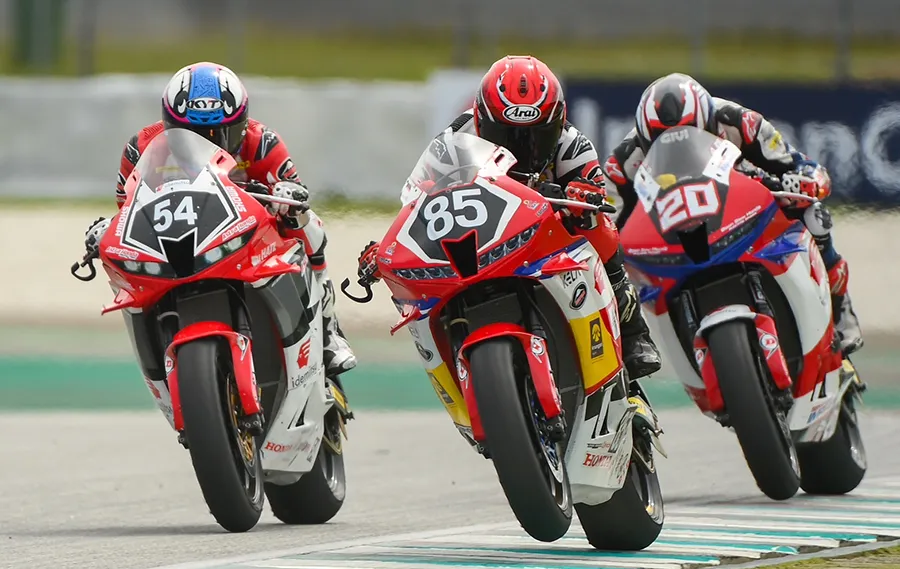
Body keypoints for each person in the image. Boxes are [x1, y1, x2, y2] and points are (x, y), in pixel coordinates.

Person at [357, 55, 662, 381]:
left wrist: (583, 198)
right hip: (484, 234)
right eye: (503, 135)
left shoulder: (573, 146)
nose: (519, 149)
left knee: (599, 228)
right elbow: (419, 200)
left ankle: (634, 334)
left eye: (535, 138)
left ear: (558, 125)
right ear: (480, 120)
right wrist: (389, 246)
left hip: (547, 235)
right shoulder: (453, 139)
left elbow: (599, 199)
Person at [82, 61, 357, 376]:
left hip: (248, 235)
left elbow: (294, 194)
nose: (208, 143)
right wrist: (108, 229)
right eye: (192, 134)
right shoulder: (141, 149)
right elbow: (129, 210)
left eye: (221, 133)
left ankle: (328, 330)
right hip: (180, 236)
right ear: (169, 125)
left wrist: (287, 197)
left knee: (308, 224)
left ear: (242, 123)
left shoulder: (262, 143)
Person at [603, 72, 863, 355]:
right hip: (669, 227)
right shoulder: (623, 162)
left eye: (691, 134)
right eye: (661, 141)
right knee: (611, 270)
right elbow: (607, 222)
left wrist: (805, 181)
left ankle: (841, 307)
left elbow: (800, 165)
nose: (680, 151)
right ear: (644, 139)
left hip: (739, 203)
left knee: (814, 215)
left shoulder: (740, 121)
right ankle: (636, 344)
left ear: (709, 122)